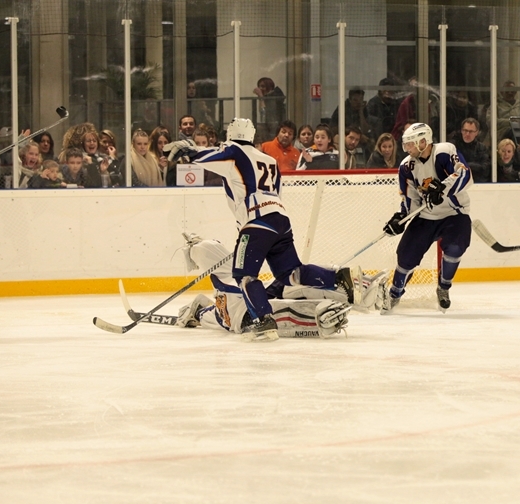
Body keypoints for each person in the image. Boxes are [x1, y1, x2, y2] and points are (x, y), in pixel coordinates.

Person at [163, 118, 359, 341]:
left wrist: (190, 150)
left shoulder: (235, 151)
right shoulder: (269, 160)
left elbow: (212, 157)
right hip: (280, 220)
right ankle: (338, 277)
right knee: (291, 273)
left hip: (257, 222)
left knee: (244, 275)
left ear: (231, 135)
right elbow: (275, 195)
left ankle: (263, 320)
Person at [174, 236, 386, 338]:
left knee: (293, 282)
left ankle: (358, 290)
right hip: (251, 312)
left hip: (256, 301)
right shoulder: (213, 314)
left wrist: (193, 248)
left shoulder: (225, 276)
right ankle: (318, 315)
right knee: (282, 309)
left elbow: (207, 252)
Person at [381, 122, 472, 313]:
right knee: (405, 256)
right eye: (405, 145)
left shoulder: (444, 152)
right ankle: (395, 293)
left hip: (454, 214)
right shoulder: (407, 166)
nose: (407, 149)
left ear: (423, 141)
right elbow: (410, 198)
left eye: (410, 144)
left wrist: (442, 189)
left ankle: (443, 287)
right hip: (426, 217)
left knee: (455, 249)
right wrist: (401, 219)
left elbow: (464, 174)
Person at [453, 118, 490, 183]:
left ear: (477, 132)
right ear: (461, 130)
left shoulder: (482, 148)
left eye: (471, 131)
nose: (467, 134)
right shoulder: (453, 147)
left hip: (477, 184)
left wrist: (465, 165)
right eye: (465, 130)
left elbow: (485, 169)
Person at [253, 77, 286, 142]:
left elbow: (264, 111)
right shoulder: (266, 97)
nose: (260, 89)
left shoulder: (272, 98)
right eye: (259, 86)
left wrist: (261, 96)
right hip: (268, 125)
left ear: (270, 87)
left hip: (273, 126)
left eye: (263, 86)